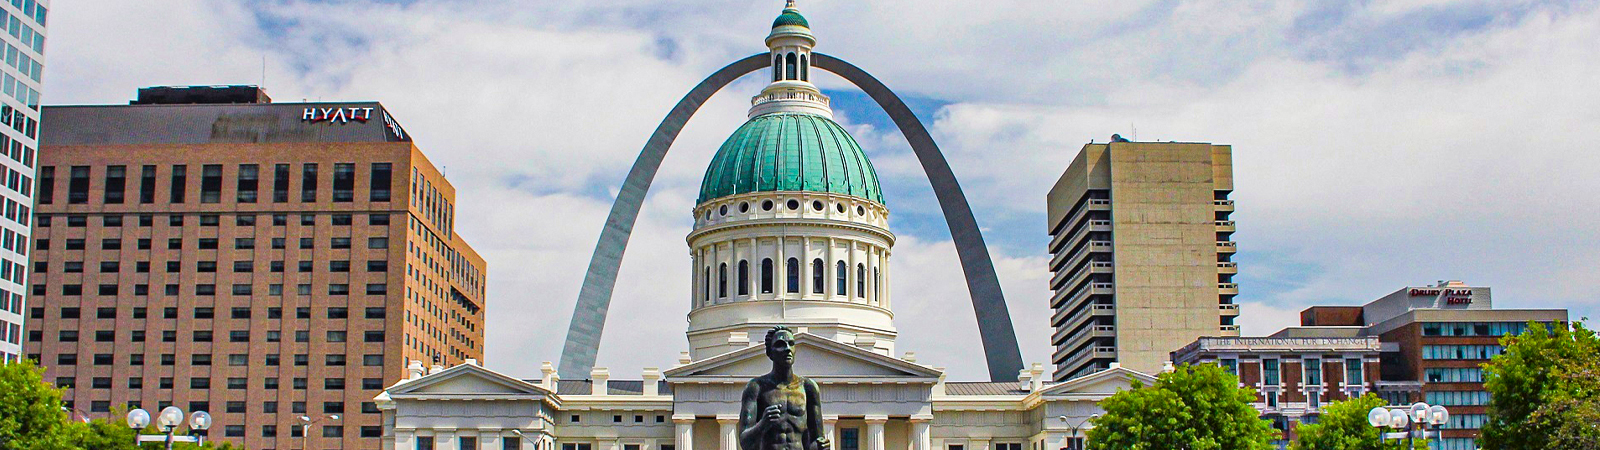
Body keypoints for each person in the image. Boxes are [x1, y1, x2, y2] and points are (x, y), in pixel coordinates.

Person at [739, 326, 830, 450]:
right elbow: (745, 442)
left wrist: (821, 445)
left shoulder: (808, 388)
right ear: (770, 352)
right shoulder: (756, 387)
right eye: (780, 344)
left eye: (791, 344)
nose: (787, 348)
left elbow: (816, 440)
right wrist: (763, 424)